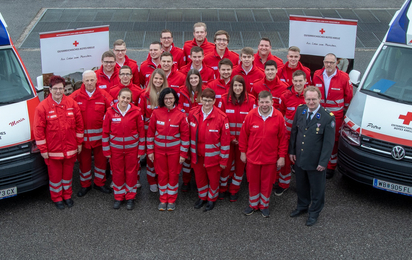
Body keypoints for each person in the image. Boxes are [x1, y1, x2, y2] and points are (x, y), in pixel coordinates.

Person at [34, 75, 84, 209]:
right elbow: (38, 130)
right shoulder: (42, 107)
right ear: (50, 89)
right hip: (53, 151)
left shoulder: (71, 103)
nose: (58, 91)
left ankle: (67, 196)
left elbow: (79, 124)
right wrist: (43, 150)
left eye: (60, 88)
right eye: (55, 88)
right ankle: (57, 198)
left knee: (67, 176)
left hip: (70, 149)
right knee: (55, 178)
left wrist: (79, 143)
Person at [288, 86, 335, 226]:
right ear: (304, 98)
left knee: (317, 189)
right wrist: (292, 152)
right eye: (308, 99)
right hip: (300, 157)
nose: (311, 102)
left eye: (314, 99)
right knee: (301, 185)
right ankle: (302, 206)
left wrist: (323, 162)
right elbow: (294, 133)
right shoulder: (300, 110)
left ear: (319, 99)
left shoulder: (327, 117)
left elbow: (328, 143)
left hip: (316, 161)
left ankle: (314, 212)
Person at [239, 90, 287, 218]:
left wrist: (282, 156)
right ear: (258, 102)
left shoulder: (279, 117)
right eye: (262, 102)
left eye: (267, 102)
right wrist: (243, 153)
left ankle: (264, 205)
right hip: (252, 158)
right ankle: (253, 204)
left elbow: (283, 139)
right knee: (253, 182)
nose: (264, 104)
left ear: (272, 102)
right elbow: (243, 136)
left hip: (270, 159)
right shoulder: (250, 115)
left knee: (267, 183)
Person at [71, 70, 113, 198]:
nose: (89, 83)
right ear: (83, 81)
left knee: (101, 162)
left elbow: (112, 110)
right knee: (84, 163)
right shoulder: (75, 96)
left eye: (92, 80)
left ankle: (99, 183)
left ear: (96, 80)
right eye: (87, 80)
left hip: (100, 139)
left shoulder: (104, 95)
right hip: (83, 140)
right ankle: (85, 185)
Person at [102, 88, 145, 210]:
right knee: (117, 173)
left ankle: (130, 197)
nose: (125, 100)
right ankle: (118, 196)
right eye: (123, 97)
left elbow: (141, 133)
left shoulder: (137, 112)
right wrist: (106, 150)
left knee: (131, 173)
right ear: (118, 97)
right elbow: (105, 133)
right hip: (115, 151)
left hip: (132, 150)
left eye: (128, 98)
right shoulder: (110, 112)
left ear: (131, 100)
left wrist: (141, 151)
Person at [147, 88, 190, 211]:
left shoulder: (181, 114)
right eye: (166, 98)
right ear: (162, 99)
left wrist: (183, 153)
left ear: (175, 99)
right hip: (159, 151)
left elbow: (185, 136)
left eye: (171, 98)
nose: (168, 100)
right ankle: (163, 198)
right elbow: (150, 133)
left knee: (173, 175)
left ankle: (171, 199)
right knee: (162, 175)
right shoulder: (156, 113)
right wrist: (150, 151)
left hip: (175, 152)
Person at [188, 88, 230, 211]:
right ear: (200, 100)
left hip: (213, 157)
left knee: (213, 180)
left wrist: (223, 160)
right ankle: (202, 197)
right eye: (205, 100)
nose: (207, 103)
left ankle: (211, 199)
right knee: (200, 178)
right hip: (197, 155)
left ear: (214, 101)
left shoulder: (221, 117)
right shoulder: (193, 114)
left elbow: (225, 142)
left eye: (210, 101)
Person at [312, 53, 353, 179]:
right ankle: (318, 162)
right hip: (319, 116)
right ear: (323, 62)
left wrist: (343, 111)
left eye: (331, 62)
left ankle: (330, 166)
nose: (329, 65)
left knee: (333, 141)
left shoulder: (344, 77)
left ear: (336, 63)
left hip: (335, 117)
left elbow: (349, 97)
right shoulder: (317, 75)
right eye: (326, 62)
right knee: (317, 138)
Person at [219, 75, 256, 202]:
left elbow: (253, 122)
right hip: (227, 141)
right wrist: (230, 137)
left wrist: (242, 139)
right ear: (231, 87)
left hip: (243, 142)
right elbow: (220, 121)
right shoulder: (224, 100)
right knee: (226, 166)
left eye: (240, 85)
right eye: (235, 85)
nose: (238, 88)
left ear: (244, 87)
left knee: (240, 167)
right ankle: (222, 188)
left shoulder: (251, 100)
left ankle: (234, 189)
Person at [138, 69, 169, 192]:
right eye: (155, 78)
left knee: (161, 158)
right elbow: (140, 116)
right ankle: (152, 181)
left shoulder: (168, 94)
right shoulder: (144, 95)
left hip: (163, 131)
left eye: (160, 79)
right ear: (151, 79)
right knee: (151, 158)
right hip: (149, 132)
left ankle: (161, 179)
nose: (158, 81)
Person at [277, 70, 307, 196]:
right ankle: (284, 184)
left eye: (301, 81)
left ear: (305, 81)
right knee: (286, 162)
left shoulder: (310, 96)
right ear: (292, 81)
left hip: (304, 136)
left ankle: (302, 186)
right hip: (288, 135)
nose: (298, 83)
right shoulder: (285, 96)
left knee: (301, 162)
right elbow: (281, 113)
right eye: (296, 81)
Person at [178, 69, 204, 192]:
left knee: (199, 154)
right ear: (188, 80)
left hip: (200, 128)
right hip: (186, 128)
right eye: (191, 78)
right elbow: (179, 110)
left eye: (196, 78)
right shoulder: (182, 92)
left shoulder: (204, 91)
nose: (194, 80)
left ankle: (200, 179)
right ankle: (186, 181)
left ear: (199, 79)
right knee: (187, 157)